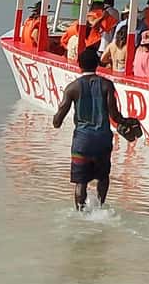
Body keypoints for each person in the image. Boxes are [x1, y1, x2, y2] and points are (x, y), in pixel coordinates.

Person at [53, 47, 130, 210]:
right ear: (97, 64)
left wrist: (56, 120)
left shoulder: (72, 88)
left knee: (81, 182)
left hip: (82, 142)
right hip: (103, 140)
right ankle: (100, 207)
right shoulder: (107, 85)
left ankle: (80, 212)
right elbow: (115, 115)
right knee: (103, 177)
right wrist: (127, 122)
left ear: (79, 65)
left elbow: (57, 121)